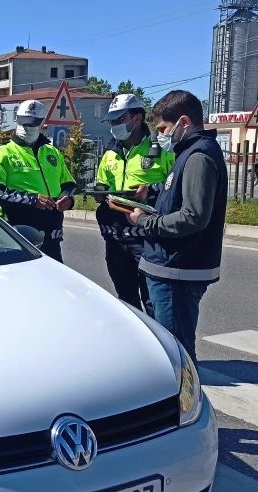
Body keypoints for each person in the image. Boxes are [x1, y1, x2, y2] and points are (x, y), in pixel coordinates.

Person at [127, 90, 227, 363]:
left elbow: (193, 216)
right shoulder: (188, 152)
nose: (160, 135)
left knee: (178, 354)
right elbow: (179, 194)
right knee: (172, 346)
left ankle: (185, 404)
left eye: (163, 128)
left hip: (177, 272)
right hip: (171, 267)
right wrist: (152, 191)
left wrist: (145, 222)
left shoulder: (199, 156)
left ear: (184, 122)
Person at [94, 94, 174, 317]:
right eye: (111, 121)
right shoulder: (111, 152)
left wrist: (150, 190)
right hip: (117, 239)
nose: (114, 125)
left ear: (137, 118)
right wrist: (99, 193)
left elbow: (176, 184)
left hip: (146, 238)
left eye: (119, 119)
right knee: (127, 302)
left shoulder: (161, 150)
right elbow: (102, 183)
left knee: (152, 302)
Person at [0, 99, 77, 262]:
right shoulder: (2, 153)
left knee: (53, 284)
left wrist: (68, 198)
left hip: (51, 235)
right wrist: (32, 200)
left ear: (42, 123)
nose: (27, 128)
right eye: (23, 123)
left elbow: (68, 184)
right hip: (18, 234)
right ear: (17, 120)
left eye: (32, 124)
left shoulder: (53, 153)